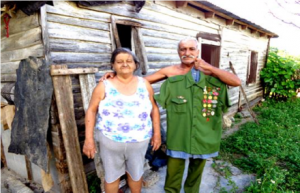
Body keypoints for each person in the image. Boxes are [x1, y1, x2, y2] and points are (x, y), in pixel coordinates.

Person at [101, 37, 241, 192]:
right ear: (178, 52)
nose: (187, 52)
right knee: (174, 169)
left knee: (197, 170)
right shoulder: (171, 71)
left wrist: (209, 68)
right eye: (183, 49)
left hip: (203, 129)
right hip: (178, 132)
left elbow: (236, 81)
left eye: (191, 49)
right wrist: (117, 74)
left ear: (198, 51)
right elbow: (139, 82)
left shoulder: (209, 72)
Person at [83, 47, 161, 193]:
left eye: (128, 61)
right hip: (110, 140)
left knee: (136, 174)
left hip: (139, 140)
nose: (124, 64)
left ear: (135, 65)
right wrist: (89, 140)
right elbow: (91, 110)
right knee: (112, 177)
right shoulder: (103, 86)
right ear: (113, 65)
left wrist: (157, 134)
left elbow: (154, 109)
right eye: (119, 61)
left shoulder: (144, 84)